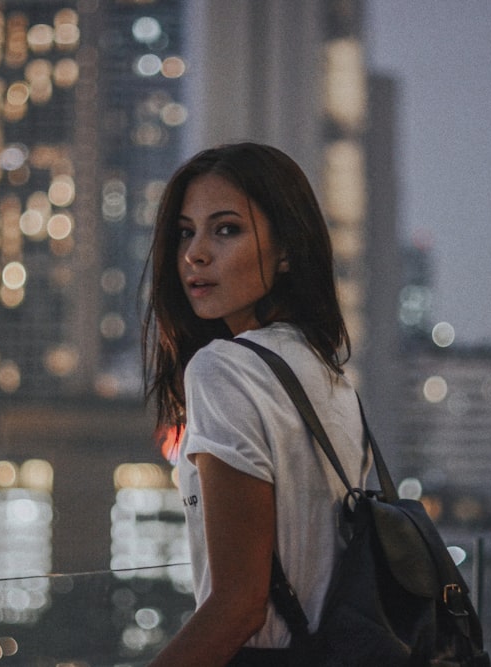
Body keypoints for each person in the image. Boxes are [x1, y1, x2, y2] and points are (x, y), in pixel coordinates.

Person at [142, 142, 373, 666]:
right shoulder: (325, 372)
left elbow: (239, 607)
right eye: (185, 231)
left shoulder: (222, 368)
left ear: (287, 248)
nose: (195, 254)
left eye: (226, 229)